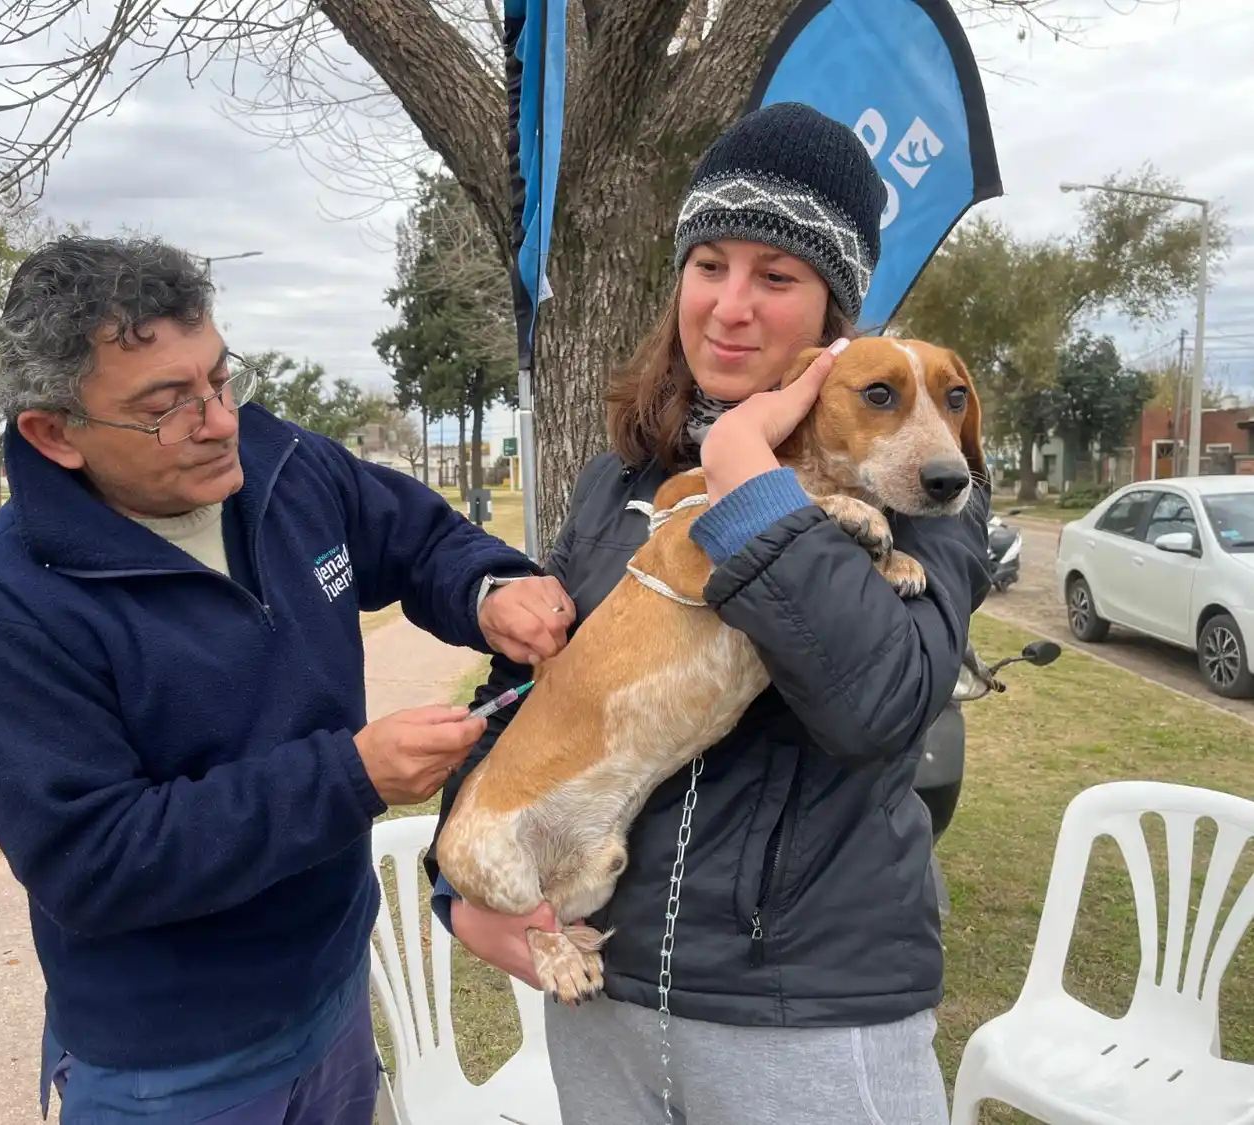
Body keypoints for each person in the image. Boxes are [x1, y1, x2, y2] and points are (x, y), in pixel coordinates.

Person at [425, 102, 993, 1125]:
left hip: (806, 1016)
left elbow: (880, 708)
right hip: (609, 995)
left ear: (835, 320)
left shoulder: (922, 485)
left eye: (776, 277)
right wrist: (457, 889)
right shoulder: (620, 479)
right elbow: (532, 694)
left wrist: (745, 477)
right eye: (708, 264)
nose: (730, 306)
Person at [0, 235, 571, 1125]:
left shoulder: (282, 467)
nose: (220, 421)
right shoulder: (4, 607)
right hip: (172, 1066)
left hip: (335, 991)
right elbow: (94, 861)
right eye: (166, 407)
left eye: (220, 379)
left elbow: (416, 538)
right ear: (54, 433)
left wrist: (487, 590)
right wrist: (348, 777)